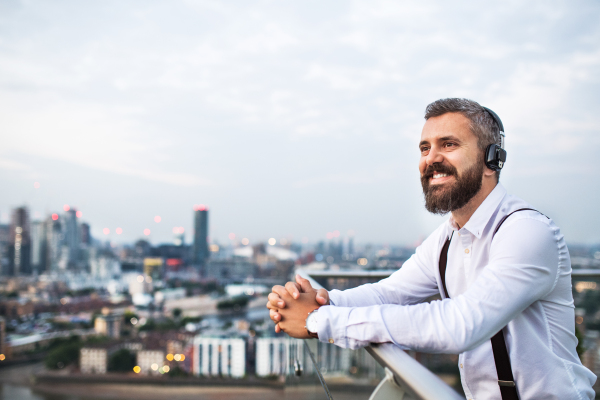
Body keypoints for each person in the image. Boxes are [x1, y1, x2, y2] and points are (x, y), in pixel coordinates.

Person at [266, 98, 596, 400]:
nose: (431, 159)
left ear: (490, 159)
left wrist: (320, 321)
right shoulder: (447, 239)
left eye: (448, 144)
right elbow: (388, 294)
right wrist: (319, 301)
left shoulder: (527, 231)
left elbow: (462, 325)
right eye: (424, 148)